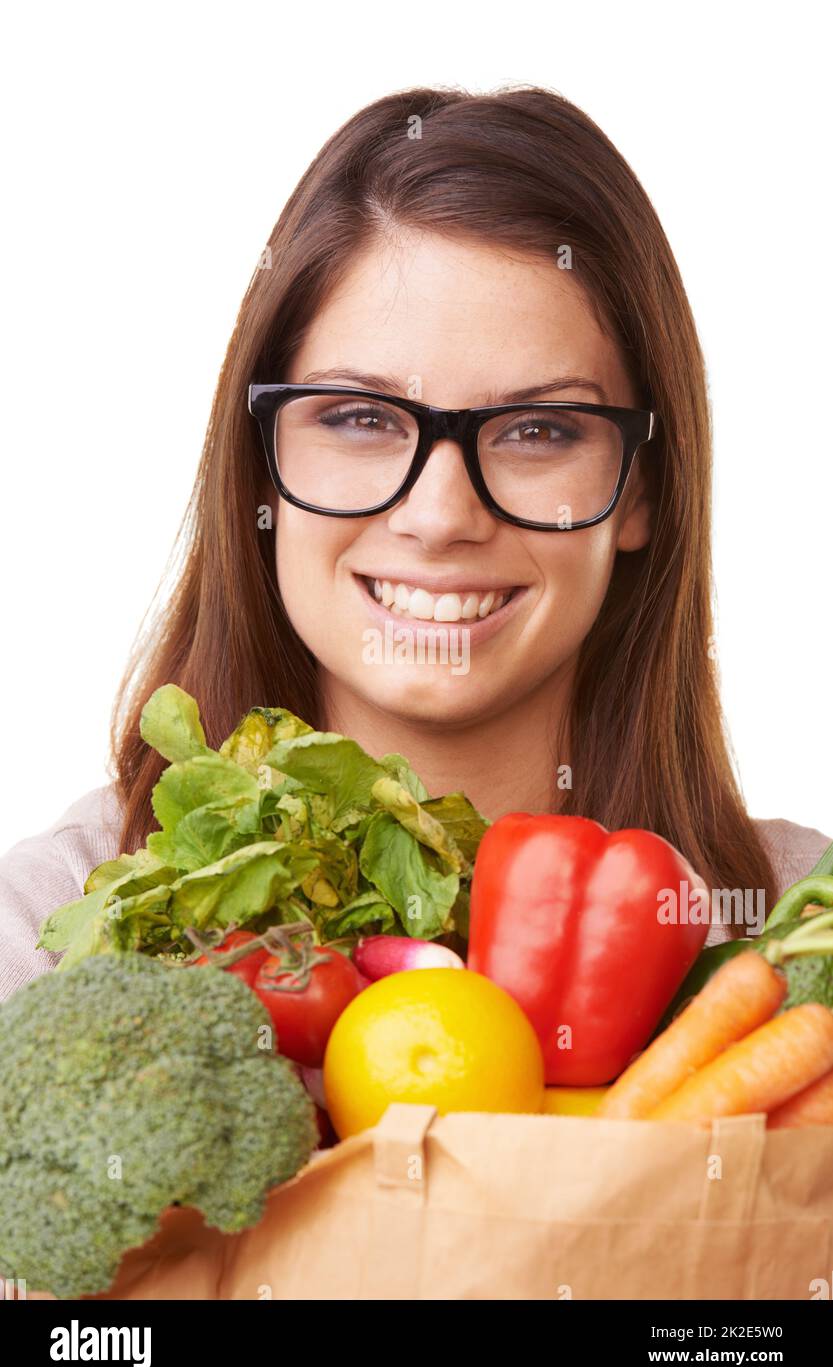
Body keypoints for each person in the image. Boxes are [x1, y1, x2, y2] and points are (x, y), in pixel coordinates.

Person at [0, 84, 828, 1003]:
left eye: (539, 430)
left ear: (643, 490)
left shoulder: (798, 928)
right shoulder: (44, 934)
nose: (439, 517)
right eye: (359, 417)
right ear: (257, 465)